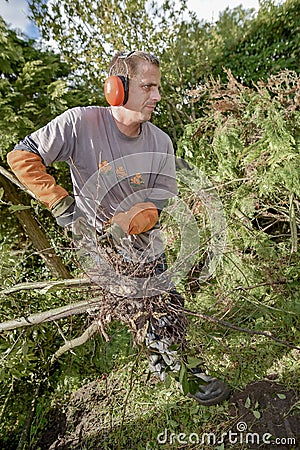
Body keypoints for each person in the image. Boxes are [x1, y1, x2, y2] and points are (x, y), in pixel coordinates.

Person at [6, 50, 229, 406]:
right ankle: (180, 367)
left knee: (165, 304)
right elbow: (22, 156)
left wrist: (131, 220)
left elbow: (161, 201)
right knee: (148, 306)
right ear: (117, 89)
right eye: (148, 86)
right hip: (101, 250)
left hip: (146, 244)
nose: (157, 96)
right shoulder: (81, 123)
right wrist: (63, 204)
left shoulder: (160, 142)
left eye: (158, 88)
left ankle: (174, 364)